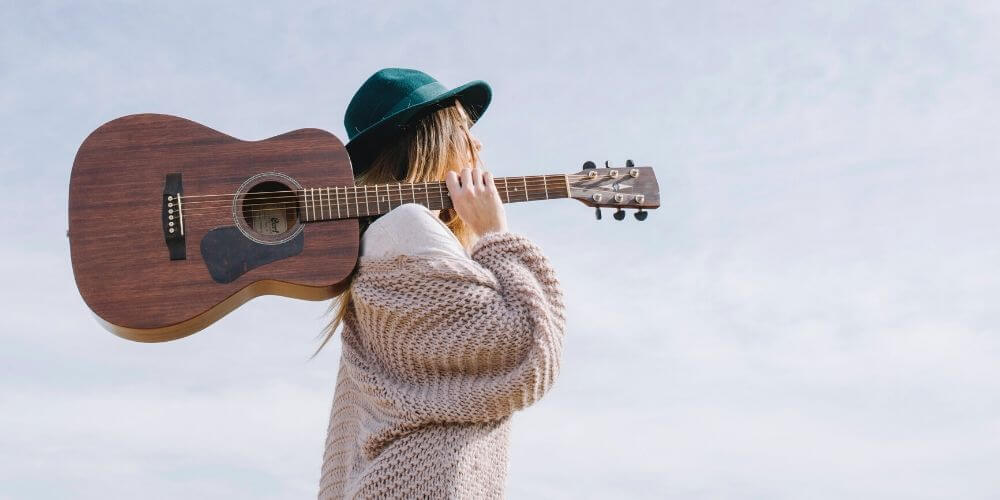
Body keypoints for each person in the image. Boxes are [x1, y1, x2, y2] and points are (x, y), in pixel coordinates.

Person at [315, 68, 567, 499]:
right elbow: (526, 346)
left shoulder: (384, 243)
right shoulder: (407, 228)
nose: (479, 144)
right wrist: (494, 235)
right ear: (432, 138)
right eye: (465, 130)